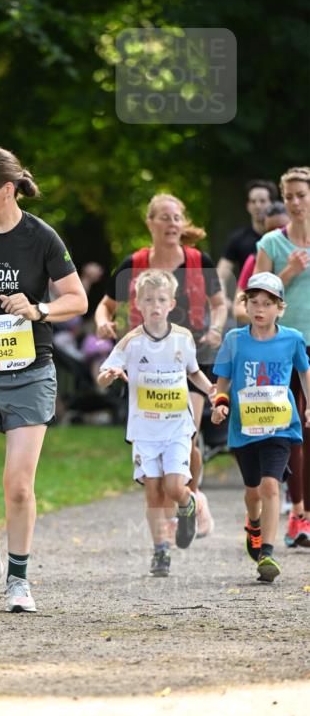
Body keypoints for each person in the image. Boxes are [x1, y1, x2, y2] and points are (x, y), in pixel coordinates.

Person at [0, 146, 87, 613]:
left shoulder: (42, 237)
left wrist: (38, 308)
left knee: (18, 486)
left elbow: (77, 299)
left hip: (30, 374)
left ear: (8, 189)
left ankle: (19, 579)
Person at [94, 193, 227, 537]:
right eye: (165, 217)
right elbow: (105, 305)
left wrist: (215, 328)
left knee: (188, 435)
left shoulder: (199, 260)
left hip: (191, 358)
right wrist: (103, 322)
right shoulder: (133, 264)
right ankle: (169, 515)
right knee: (155, 449)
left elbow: (219, 303)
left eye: (177, 217)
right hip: (148, 367)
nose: (172, 223)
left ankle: (192, 498)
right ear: (150, 223)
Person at [97, 269, 215, 576]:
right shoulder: (131, 342)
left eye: (161, 299)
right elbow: (103, 375)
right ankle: (161, 550)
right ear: (138, 304)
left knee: (174, 486)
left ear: (172, 304)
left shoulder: (183, 338)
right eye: (148, 300)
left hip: (176, 426)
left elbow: (193, 372)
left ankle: (187, 505)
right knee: (153, 490)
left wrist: (212, 391)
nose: (155, 305)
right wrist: (109, 375)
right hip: (145, 430)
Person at [211, 272, 310, 581]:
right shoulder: (234, 340)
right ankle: (253, 524)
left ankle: (267, 552)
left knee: (270, 485)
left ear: (280, 308)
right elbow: (223, 379)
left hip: (280, 427)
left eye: (267, 304)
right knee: (253, 491)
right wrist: (220, 404)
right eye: (254, 302)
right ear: (245, 304)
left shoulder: (292, 339)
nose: (260, 309)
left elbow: (304, 372)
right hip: (244, 428)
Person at [254, 167, 310, 548]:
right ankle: (299, 513)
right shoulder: (271, 244)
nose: (294, 202)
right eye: (288, 196)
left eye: (301, 195)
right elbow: (255, 297)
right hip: (283, 347)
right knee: (293, 430)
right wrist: (287, 273)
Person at [216, 179, 278, 297]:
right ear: (248, 206)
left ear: (272, 204)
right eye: (253, 201)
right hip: (249, 300)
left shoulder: (282, 237)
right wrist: (221, 299)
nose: (257, 206)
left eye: (262, 201)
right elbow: (221, 274)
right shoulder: (238, 238)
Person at [233, 202, 290, 324]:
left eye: (282, 229)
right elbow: (239, 309)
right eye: (270, 230)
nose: (276, 235)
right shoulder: (254, 260)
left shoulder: (304, 255)